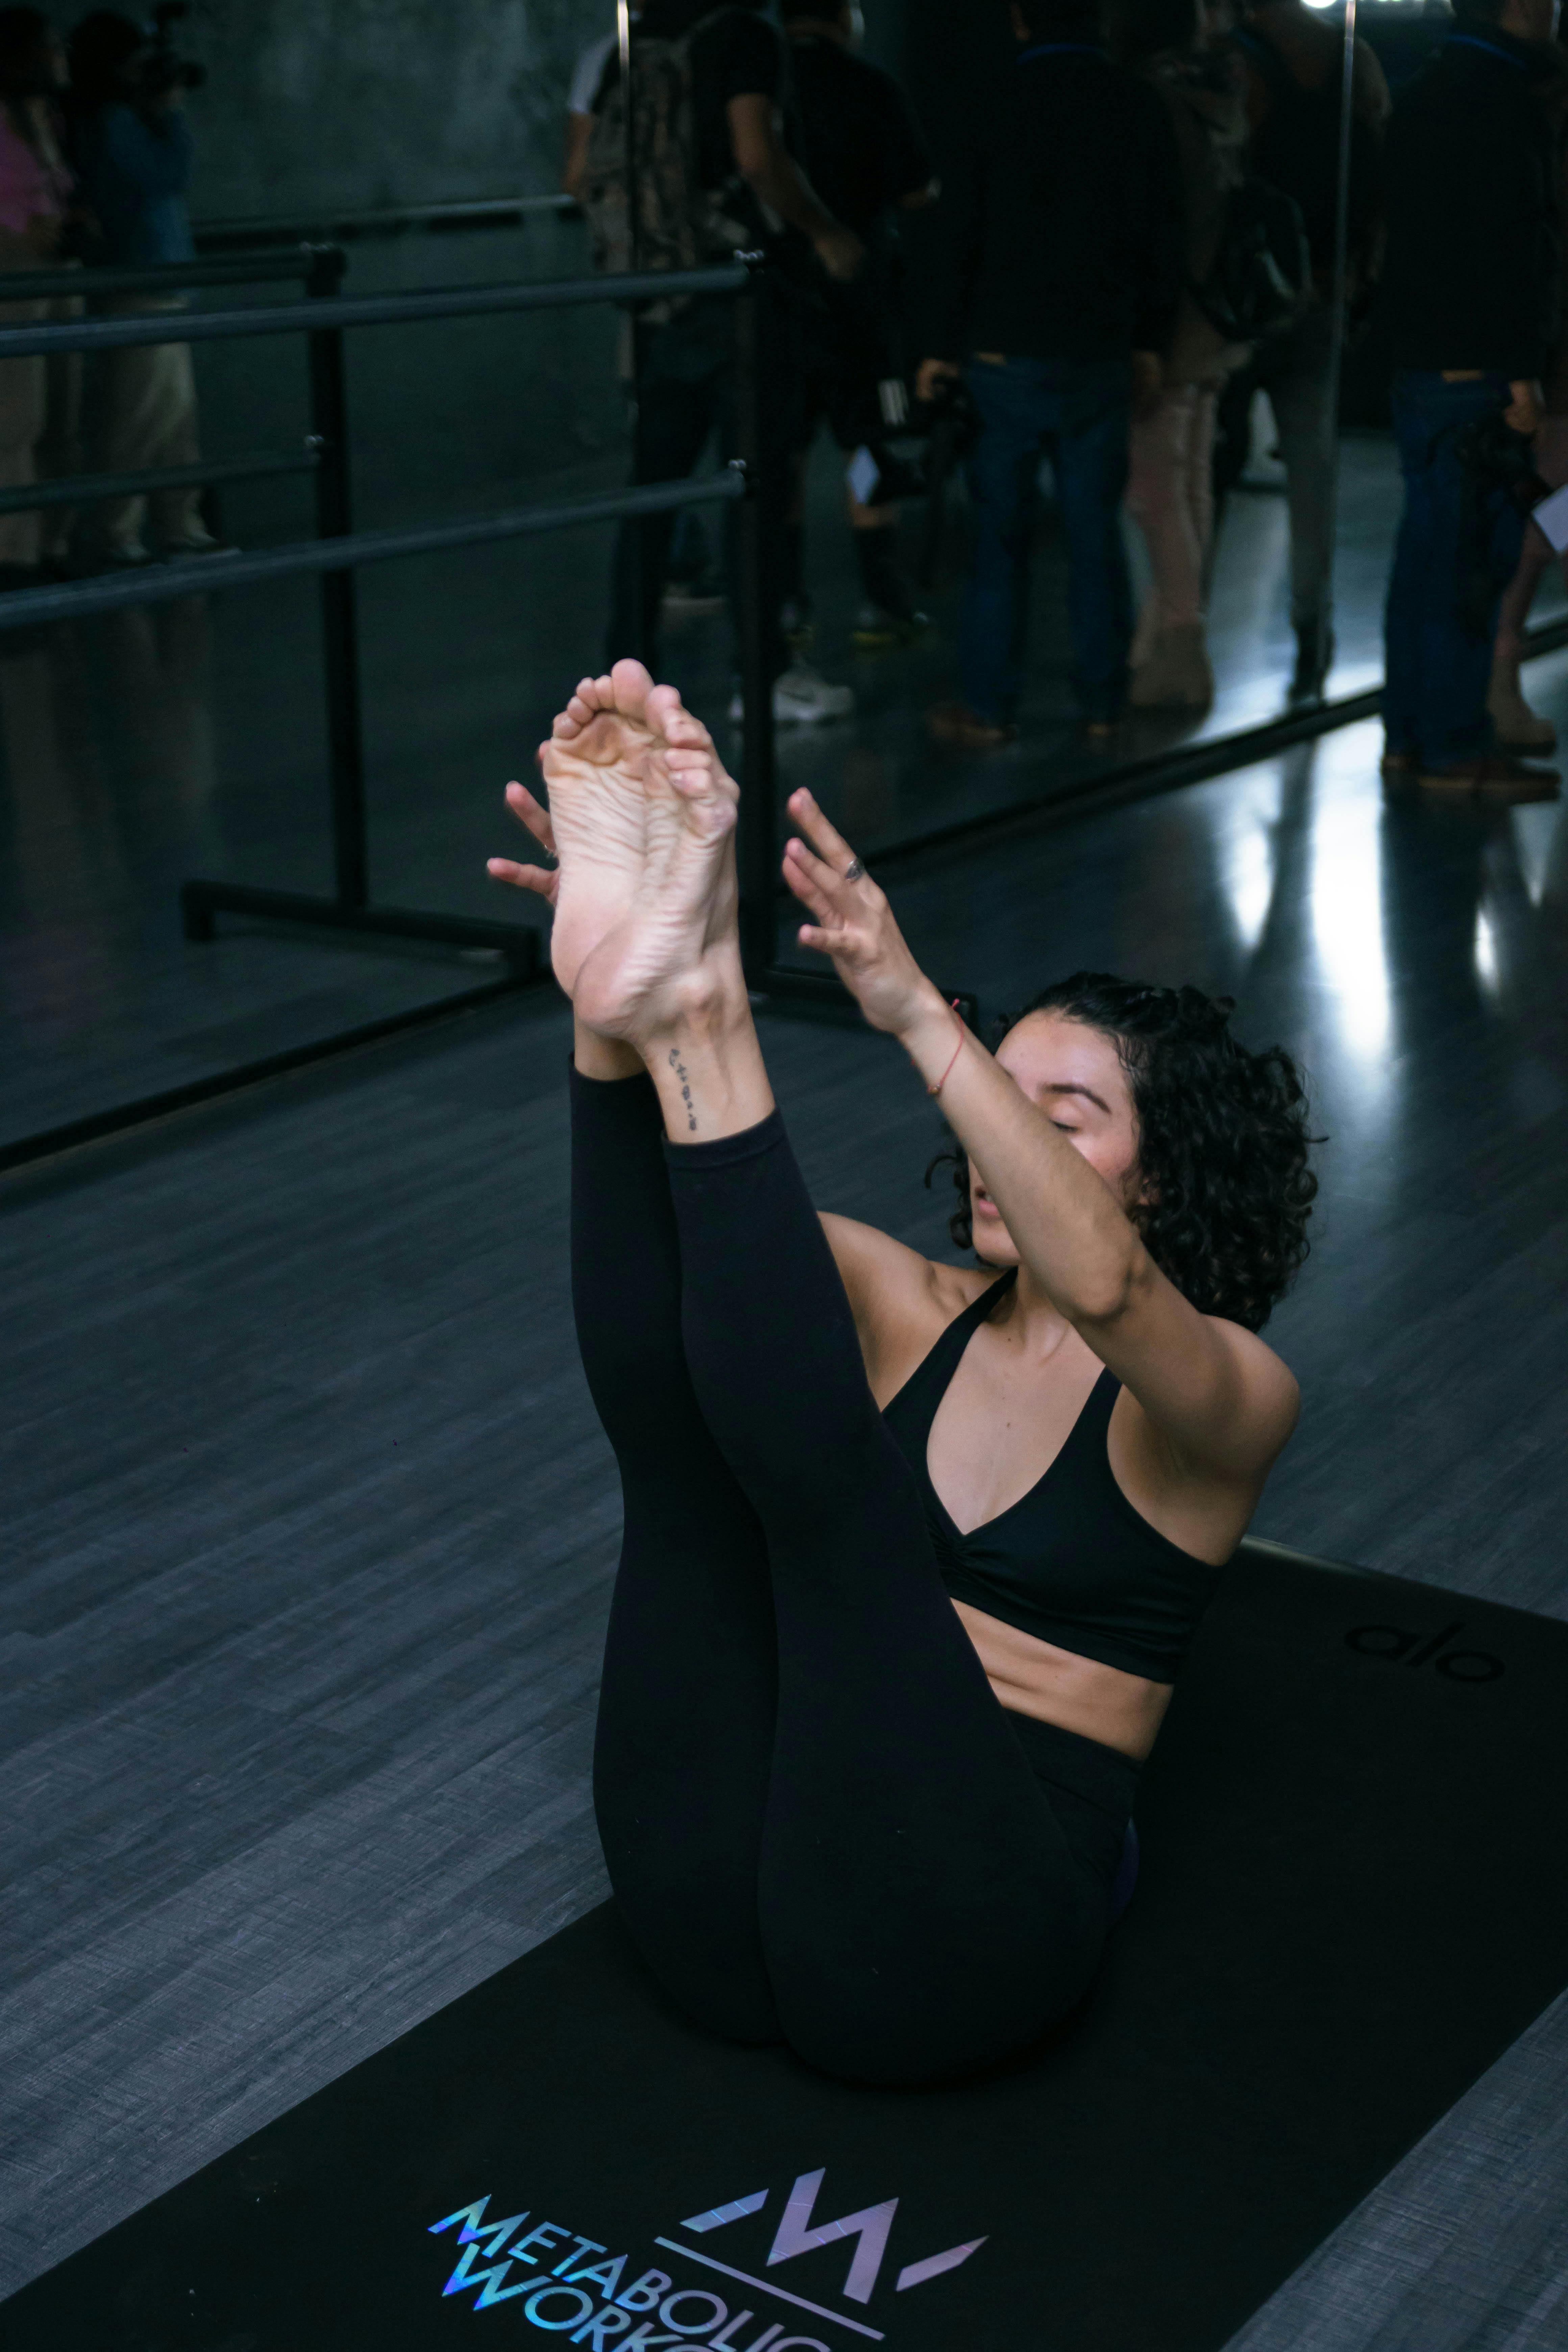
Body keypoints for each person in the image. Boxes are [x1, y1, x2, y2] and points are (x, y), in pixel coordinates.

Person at [487, 658, 1314, 2086]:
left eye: (1059, 1113)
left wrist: (925, 1016)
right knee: (687, 1449)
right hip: (731, 1902)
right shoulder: (898, 1293)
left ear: (1165, 1184)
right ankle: (646, 995)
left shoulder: (1227, 1396)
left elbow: (1107, 1287)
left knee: (841, 1519)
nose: (1005, 1134)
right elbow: (684, 1260)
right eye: (1002, 1091)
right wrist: (609, 995)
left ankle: (702, 1008)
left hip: (961, 1934)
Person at [918, 0, 1183, 750]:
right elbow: (1164, 231)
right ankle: (1103, 702)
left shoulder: (989, 102)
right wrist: (1149, 341)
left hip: (1003, 352)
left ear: (1019, 19)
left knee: (998, 539)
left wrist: (937, 345)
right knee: (1092, 533)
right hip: (1099, 350)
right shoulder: (1135, 104)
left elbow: (955, 231)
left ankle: (989, 705)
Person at [595, 0, 865, 725]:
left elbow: (577, 170)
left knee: (650, 495)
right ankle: (764, 676)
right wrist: (821, 230)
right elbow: (755, 154)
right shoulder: (742, 36)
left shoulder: (635, 41)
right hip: (738, 298)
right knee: (754, 492)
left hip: (658, 298)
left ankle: (621, 683)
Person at [1380, 0, 1563, 802]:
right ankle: (1454, 743)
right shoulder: (1503, 99)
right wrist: (1519, 371)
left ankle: (1413, 735)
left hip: (1424, 360)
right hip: (1479, 370)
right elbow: (1505, 244)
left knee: (1427, 554)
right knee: (1470, 558)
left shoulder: (1426, 86)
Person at [1221, 0, 1388, 701]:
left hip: (1243, 302)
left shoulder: (1235, 60)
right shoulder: (1353, 58)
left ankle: (1179, 628)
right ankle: (1311, 625)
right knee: (1311, 472)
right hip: (1321, 289)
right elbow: (1378, 176)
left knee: (1204, 473)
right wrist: (1361, 275)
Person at [779, 0, 936, 651]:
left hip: (778, 299)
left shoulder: (765, 84)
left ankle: (787, 607)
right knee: (868, 446)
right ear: (842, 15)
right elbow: (916, 191)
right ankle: (883, 599)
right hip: (860, 303)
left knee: (782, 453)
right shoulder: (871, 85)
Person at [1117, 0, 1251, 713]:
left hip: (1169, 323)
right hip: (1215, 319)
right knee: (1189, 487)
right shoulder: (1223, 92)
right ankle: (1158, 644)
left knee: (1153, 493)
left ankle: (1179, 643)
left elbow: (1149, 218)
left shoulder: (1152, 99)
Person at [66, 7, 224, 565]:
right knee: (136, 418)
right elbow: (166, 176)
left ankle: (181, 526)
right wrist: (169, 115)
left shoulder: (116, 116)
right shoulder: (111, 120)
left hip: (159, 278)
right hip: (140, 277)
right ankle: (116, 533)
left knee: (174, 418)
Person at [0, 7, 77, 585]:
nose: (61, 56)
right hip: (15, 265)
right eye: (51, 46)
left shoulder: (43, 116)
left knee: (60, 413)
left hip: (56, 269)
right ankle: (12, 554)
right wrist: (22, 222)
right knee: (16, 416)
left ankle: (51, 544)